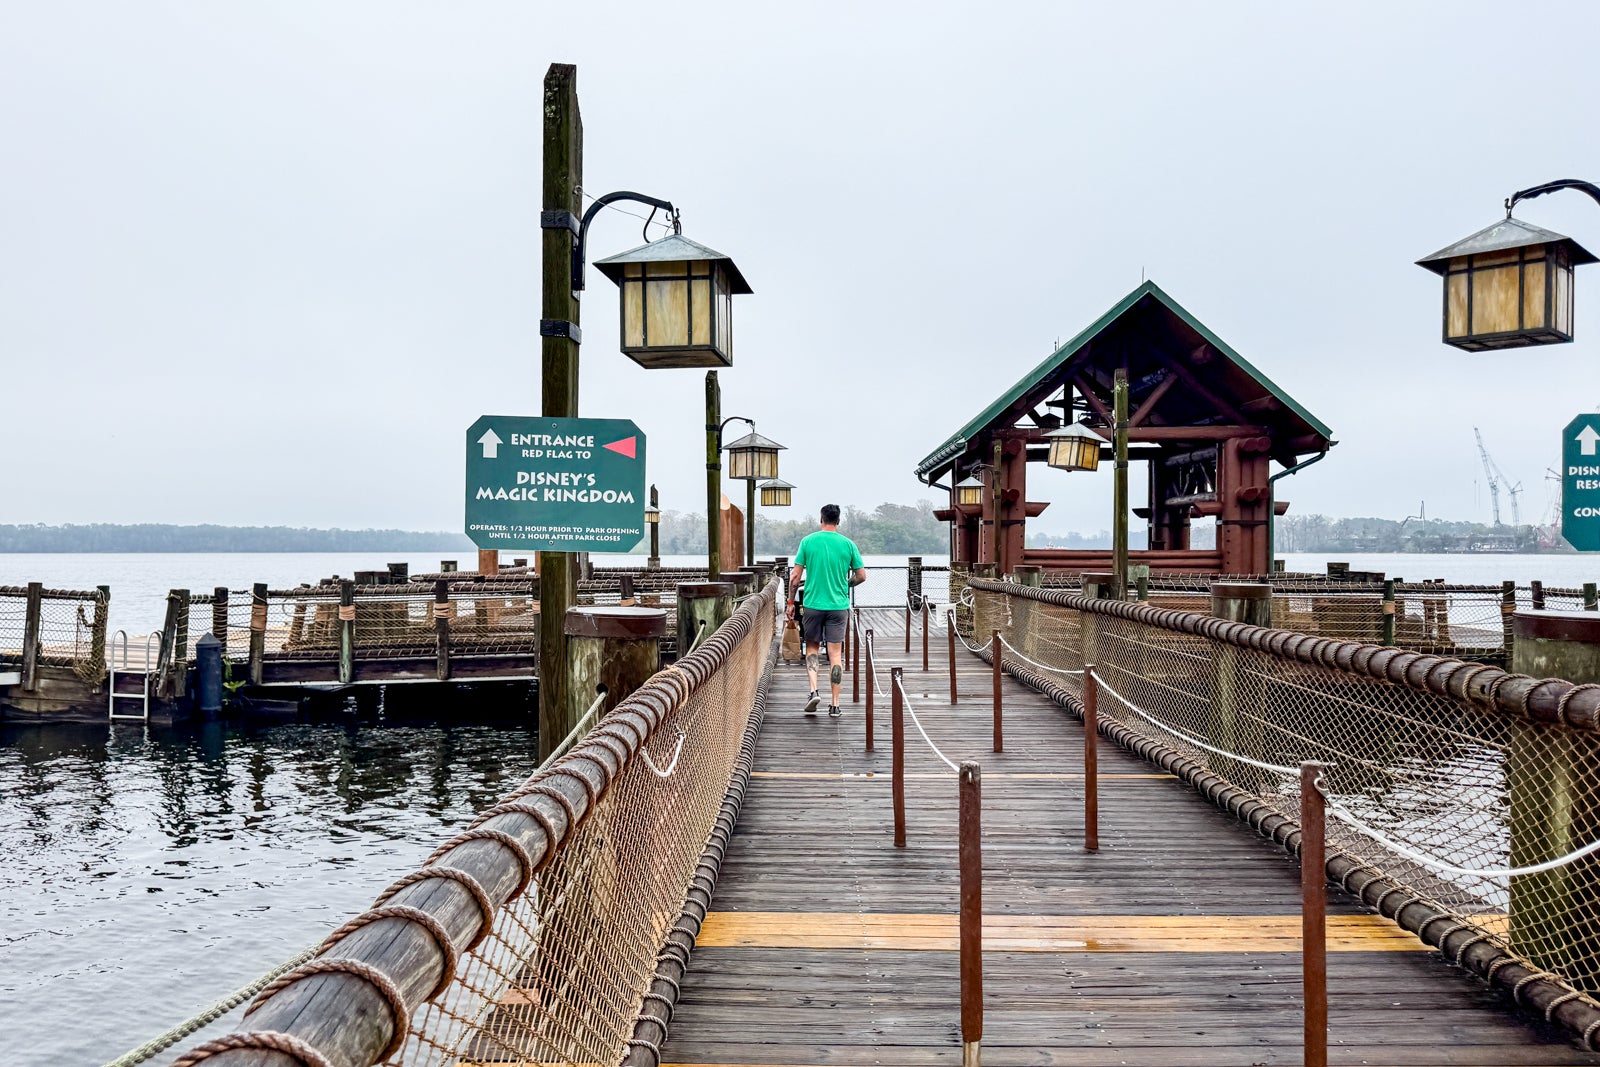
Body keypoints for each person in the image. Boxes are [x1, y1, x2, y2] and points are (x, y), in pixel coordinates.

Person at [787, 504, 866, 717]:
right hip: (839, 607)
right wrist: (846, 584)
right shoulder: (849, 545)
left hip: (812, 605)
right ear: (838, 521)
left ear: (821, 519)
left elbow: (795, 577)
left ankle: (813, 691)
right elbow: (861, 576)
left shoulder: (808, 542)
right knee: (835, 655)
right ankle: (835, 704)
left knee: (812, 649)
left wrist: (790, 603)